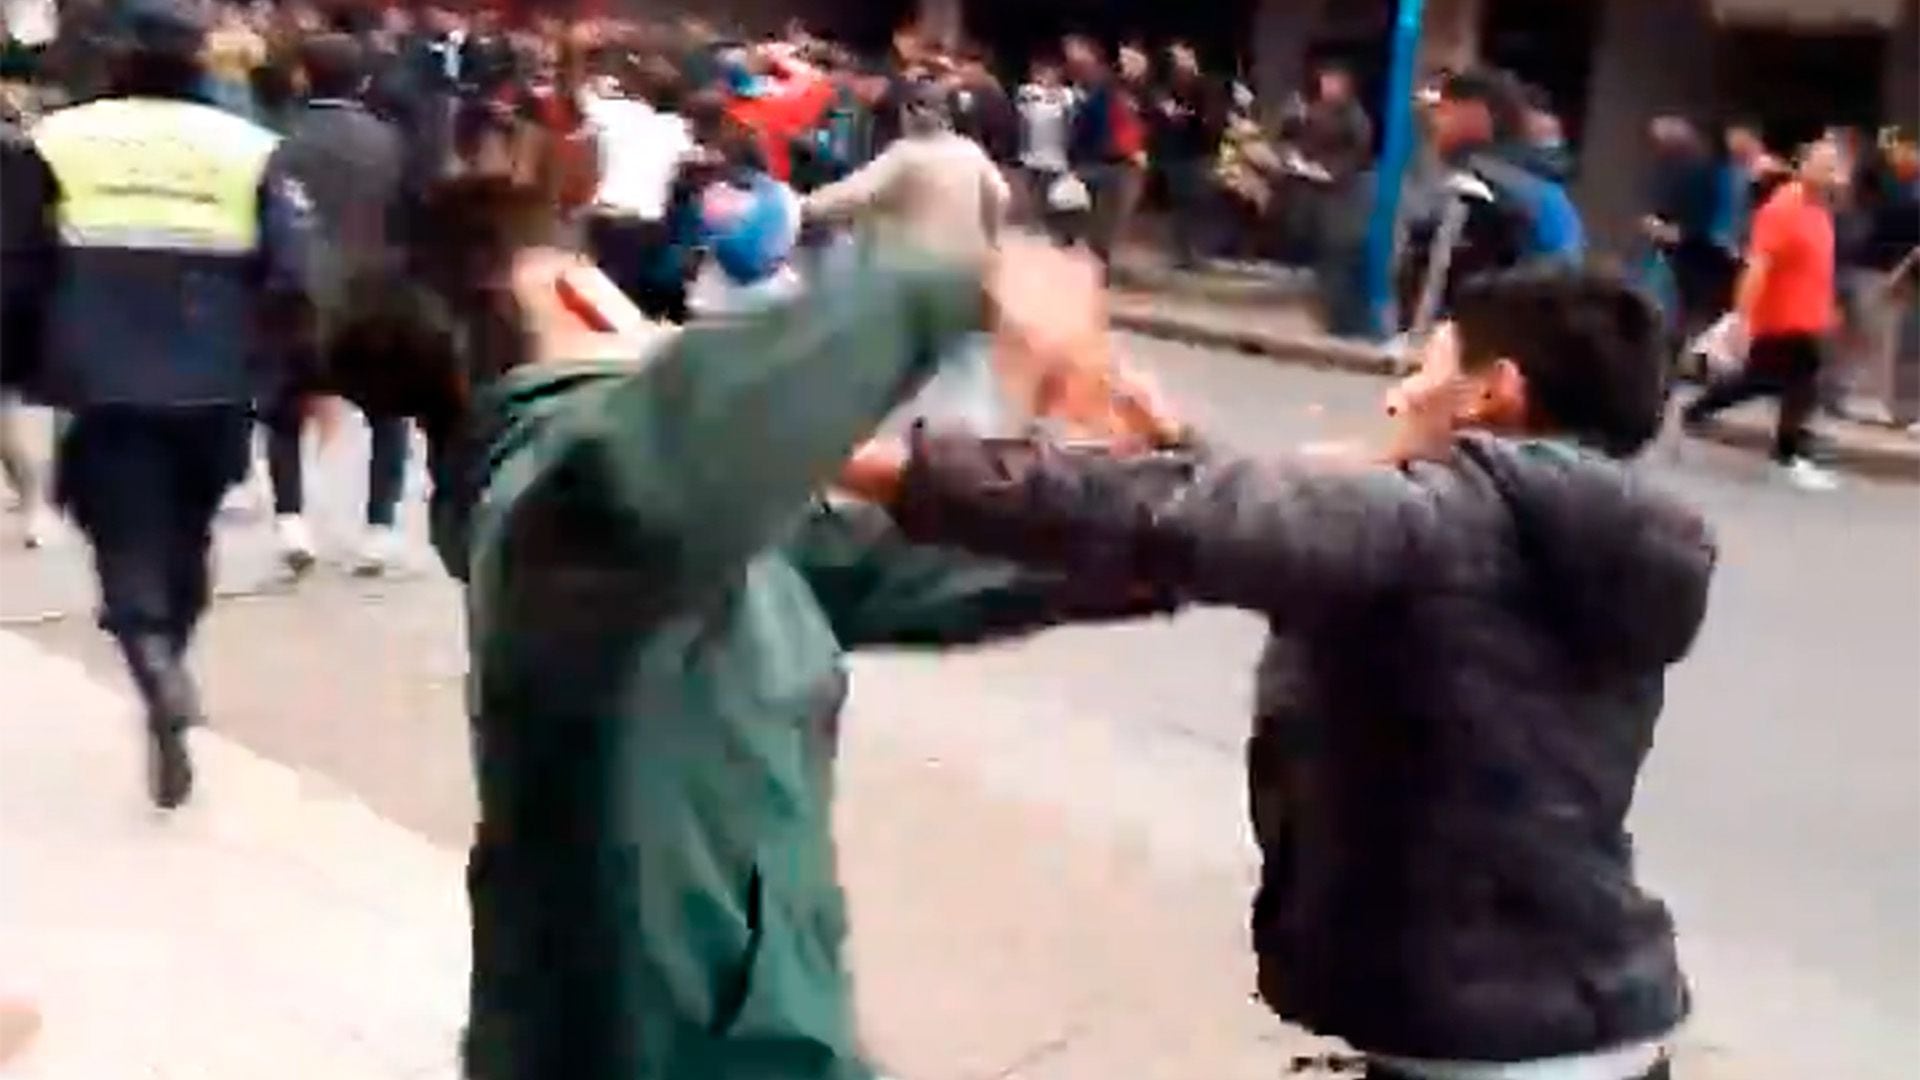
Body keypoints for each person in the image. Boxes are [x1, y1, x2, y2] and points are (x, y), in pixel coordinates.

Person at [317, 157, 1165, 1076]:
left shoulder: (678, 517)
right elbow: (654, 478)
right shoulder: (555, 501)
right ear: (572, 290)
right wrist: (943, 272)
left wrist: (1178, 501)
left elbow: (944, 561)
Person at [842, 263, 1709, 1080]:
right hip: (1571, 1013)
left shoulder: (1438, 526)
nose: (1399, 394)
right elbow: (1294, 528)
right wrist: (1179, 446)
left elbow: (1179, 520)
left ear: (1494, 392)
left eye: (1427, 368)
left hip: (1493, 1040)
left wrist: (880, 467)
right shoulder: (1577, 540)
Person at [17, 0, 312, 808]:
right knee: (189, 528)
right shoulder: (247, 148)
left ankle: (150, 653)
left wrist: (23, 361)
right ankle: (172, 649)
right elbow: (291, 276)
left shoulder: (60, 141)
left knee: (121, 529)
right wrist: (280, 370)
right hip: (214, 380)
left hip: (101, 379)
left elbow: (18, 264)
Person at [267, 32, 409, 576]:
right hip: (372, 289)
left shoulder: (281, 137)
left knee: (285, 409)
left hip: (299, 289)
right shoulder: (389, 141)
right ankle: (378, 527)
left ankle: (291, 520)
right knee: (388, 415)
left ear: (303, 75)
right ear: (363, 80)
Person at [1683, 138, 1847, 491]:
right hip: (1781, 317)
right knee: (1797, 381)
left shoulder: (1820, 210)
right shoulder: (1781, 209)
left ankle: (1701, 411)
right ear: (1802, 166)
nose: (1832, 172)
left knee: (1766, 379)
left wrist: (1828, 308)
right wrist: (1742, 317)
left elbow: (1817, 266)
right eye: (1824, 164)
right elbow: (1758, 265)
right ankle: (1787, 452)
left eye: (1835, 165)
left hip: (1807, 315)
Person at [1397, 69, 1583, 329]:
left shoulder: (1484, 191)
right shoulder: (1539, 188)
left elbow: (1438, 287)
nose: (1435, 124)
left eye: (1445, 111)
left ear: (1476, 115)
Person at [1064, 36, 1146, 266]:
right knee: (1092, 225)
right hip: (1095, 163)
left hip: (1122, 164)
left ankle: (1099, 266)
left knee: (1107, 228)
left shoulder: (1126, 92)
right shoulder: (1089, 89)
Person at [1153, 42, 1226, 270]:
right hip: (1176, 154)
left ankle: (1198, 252)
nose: (1184, 63)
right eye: (1178, 59)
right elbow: (1162, 115)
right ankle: (1182, 253)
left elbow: (1214, 119)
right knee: (1180, 205)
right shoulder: (1165, 90)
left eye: (1186, 57)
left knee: (1199, 203)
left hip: (1200, 152)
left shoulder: (1206, 87)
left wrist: (1193, 117)